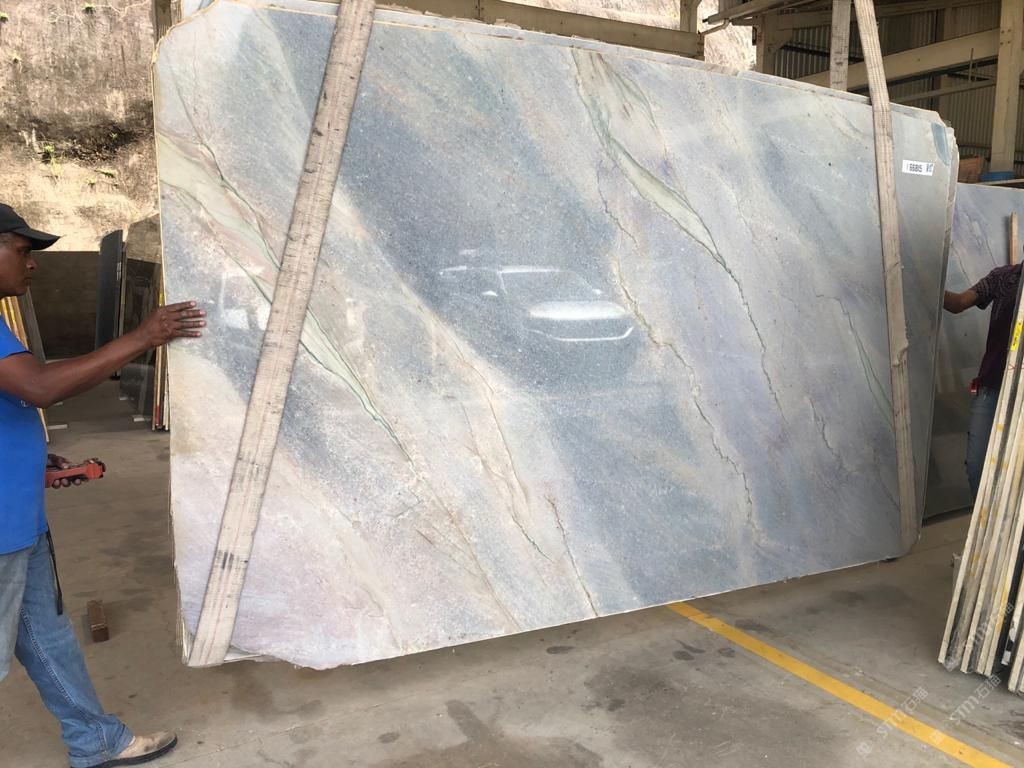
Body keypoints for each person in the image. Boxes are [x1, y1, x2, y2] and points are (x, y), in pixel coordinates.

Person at [0, 203, 205, 768]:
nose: (32, 264)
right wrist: (143, 336)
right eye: (22, 250)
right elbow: (39, 387)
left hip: (19, 519)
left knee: (48, 639)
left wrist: (30, 460)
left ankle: (96, 741)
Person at [944, 261, 1023, 499]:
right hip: (992, 387)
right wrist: (925, 286)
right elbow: (959, 303)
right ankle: (985, 520)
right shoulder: (1003, 277)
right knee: (978, 467)